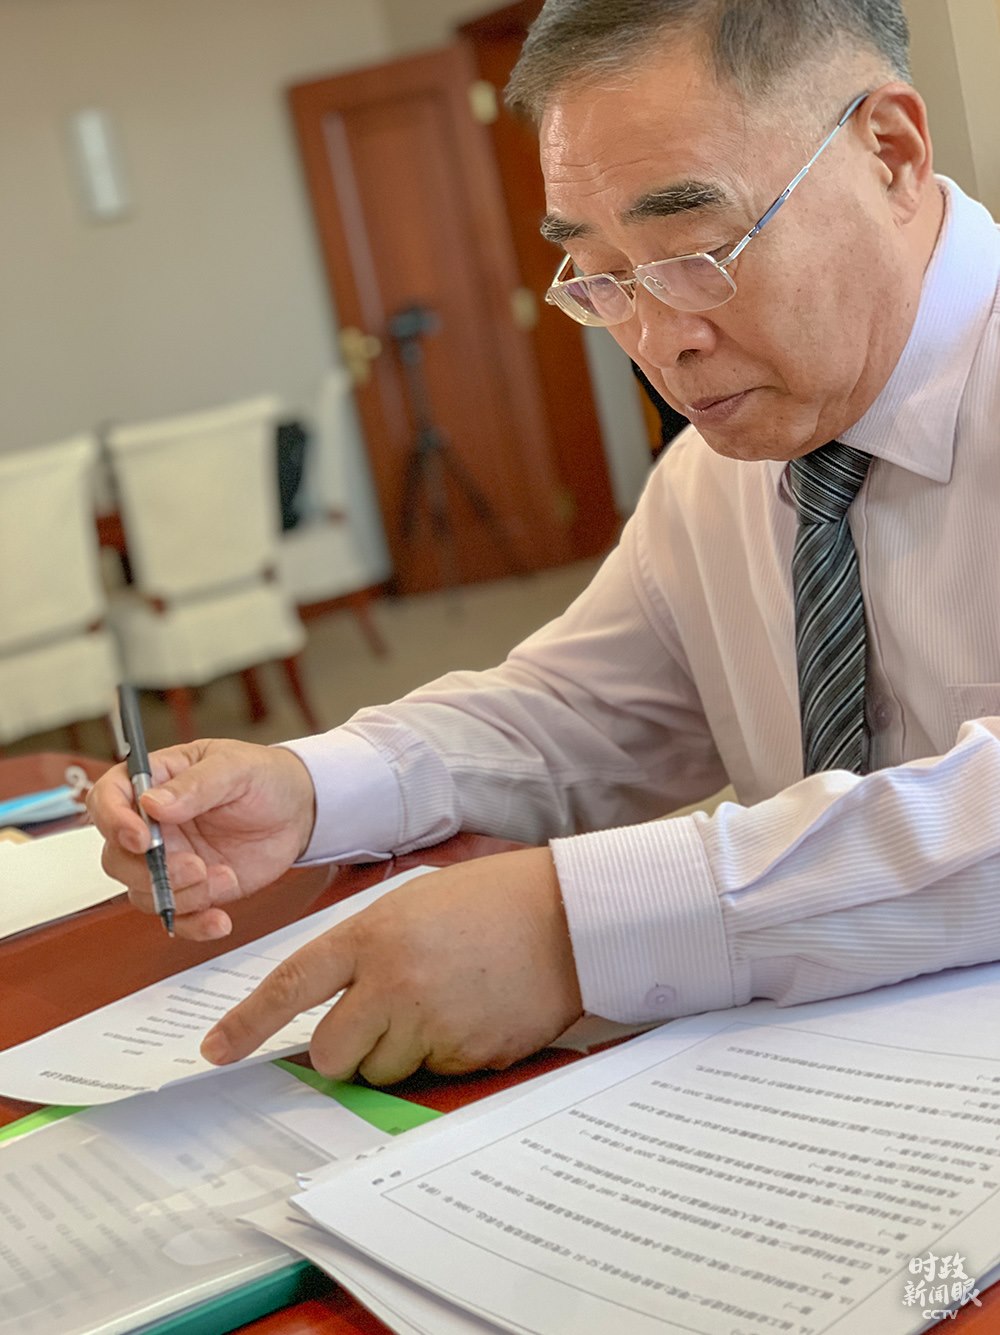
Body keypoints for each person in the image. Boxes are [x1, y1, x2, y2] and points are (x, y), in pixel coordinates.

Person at [90, 0, 1000, 1088]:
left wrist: (578, 928)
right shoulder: (718, 476)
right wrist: (308, 785)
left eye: (698, 253)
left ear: (889, 152)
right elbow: (578, 712)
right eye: (603, 278)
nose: (659, 343)